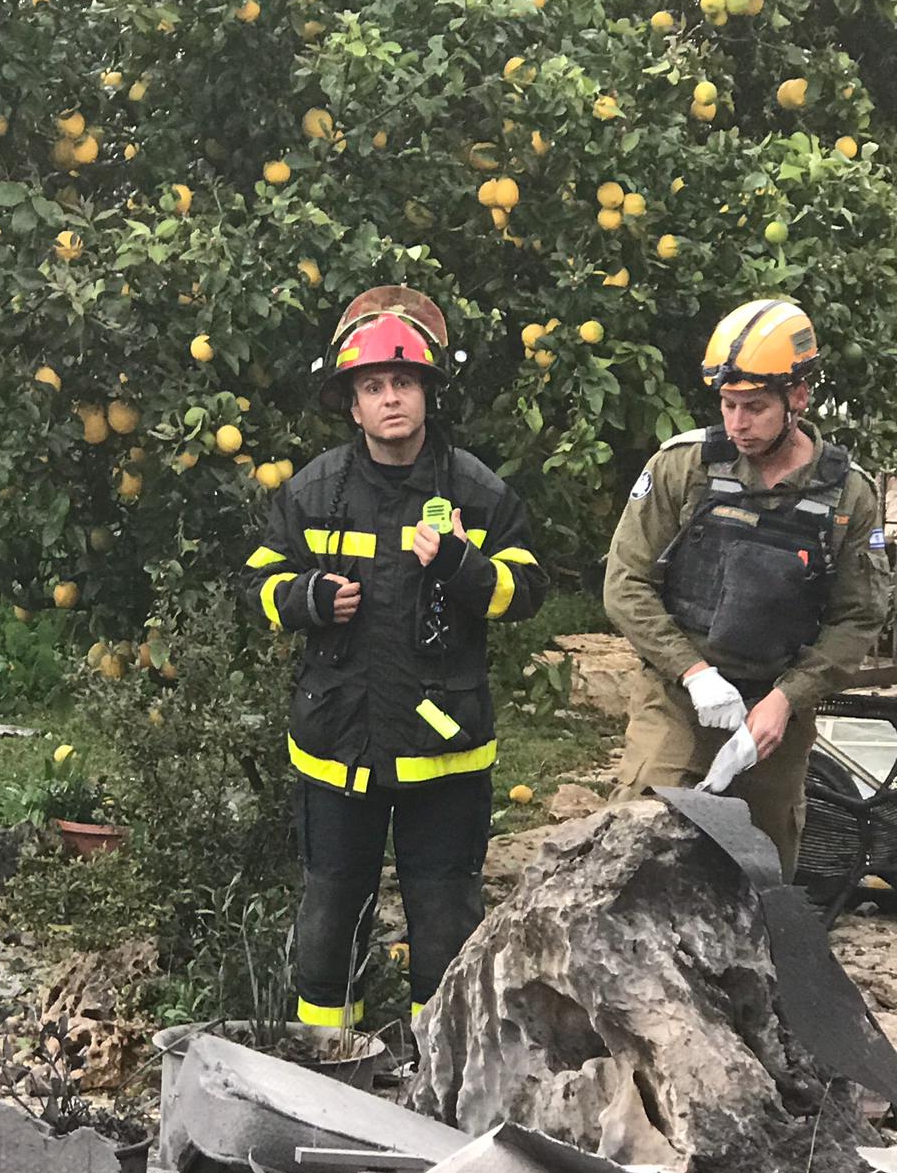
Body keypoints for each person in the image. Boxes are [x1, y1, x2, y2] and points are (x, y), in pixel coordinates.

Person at [243, 286, 548, 1027]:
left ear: (427, 393)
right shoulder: (312, 492)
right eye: (372, 387)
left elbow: (531, 587)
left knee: (444, 920)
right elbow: (256, 586)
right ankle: (325, 1066)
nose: (389, 400)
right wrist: (309, 597)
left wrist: (463, 567)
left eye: (403, 383)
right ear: (351, 404)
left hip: (442, 753)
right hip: (337, 744)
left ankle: (433, 1077)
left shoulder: (477, 493)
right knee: (328, 915)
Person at [604, 296, 891, 879]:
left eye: (755, 407)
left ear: (799, 397)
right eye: (728, 405)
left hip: (777, 700)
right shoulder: (683, 468)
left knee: (761, 871)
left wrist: (786, 701)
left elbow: (858, 618)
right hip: (680, 695)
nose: (737, 423)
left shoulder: (848, 496)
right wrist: (694, 673)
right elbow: (625, 583)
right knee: (640, 849)